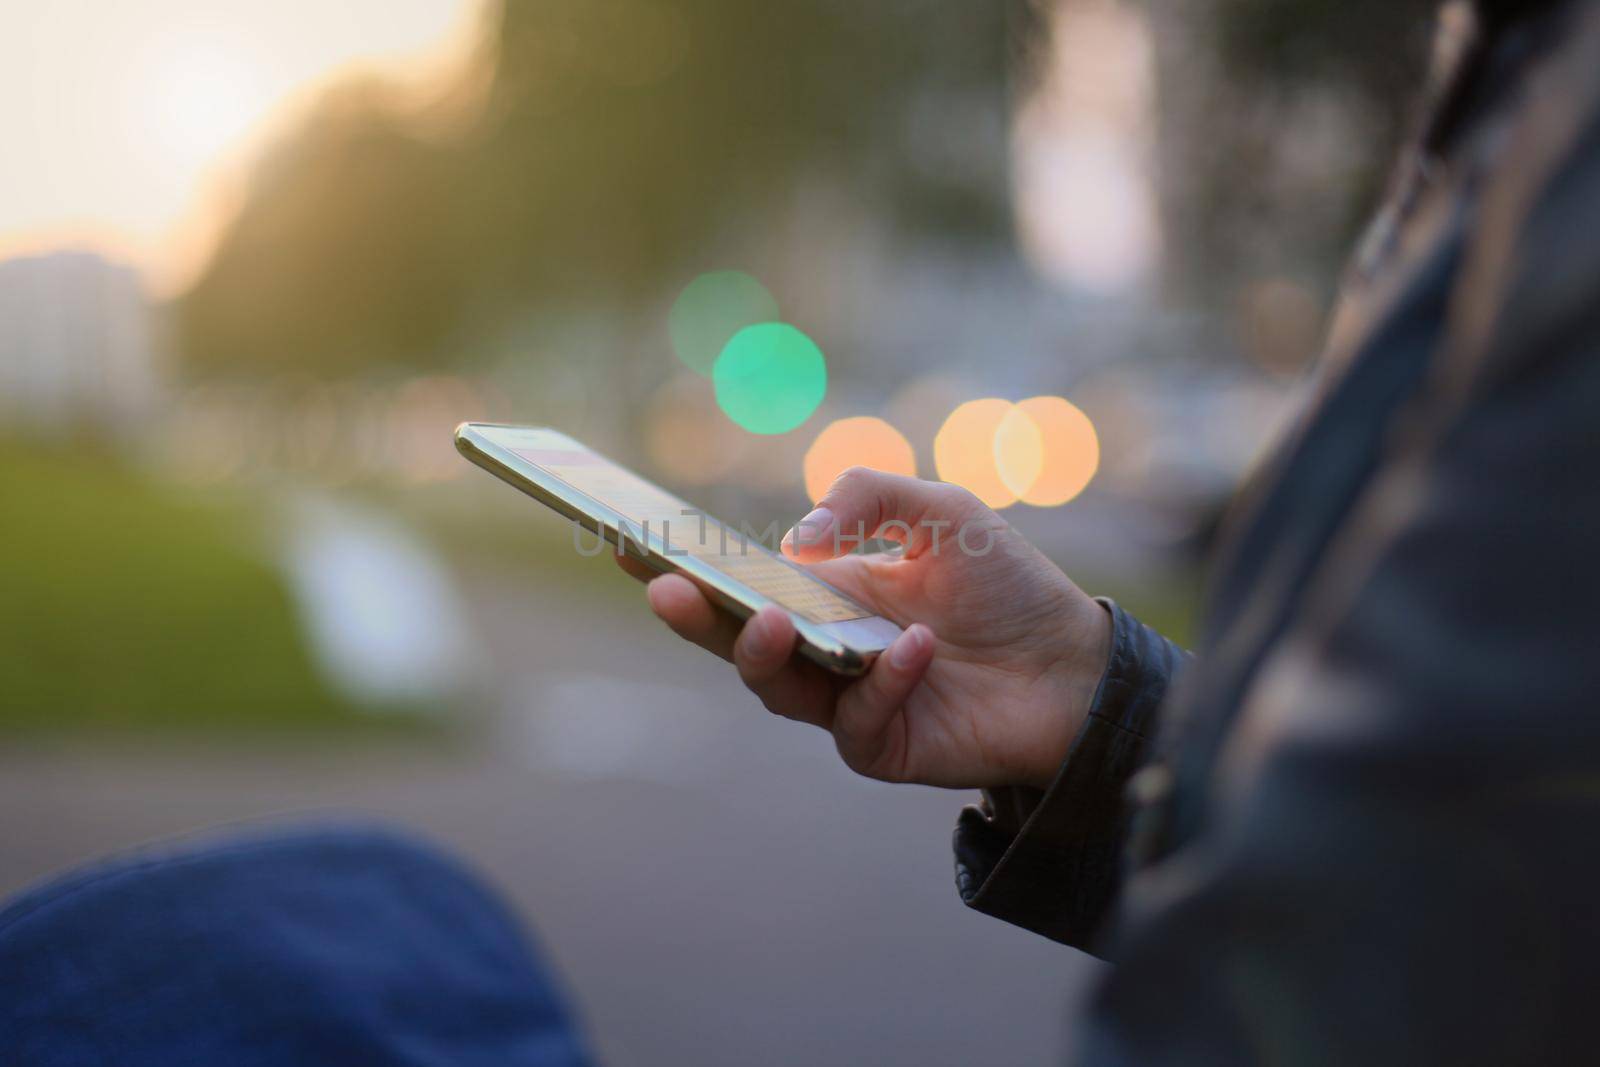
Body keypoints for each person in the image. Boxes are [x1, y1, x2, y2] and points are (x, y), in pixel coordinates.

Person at [622, 0, 1600, 1061]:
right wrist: (1090, 703)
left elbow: (1370, 922)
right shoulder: (1519, 76)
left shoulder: (1564, 119)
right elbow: (1461, 892)